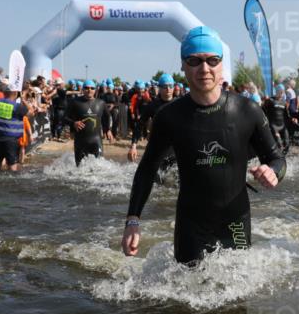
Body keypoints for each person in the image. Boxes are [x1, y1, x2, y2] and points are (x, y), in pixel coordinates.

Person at [122, 26, 285, 265]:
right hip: (191, 226)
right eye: (194, 61)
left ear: (221, 65)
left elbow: (277, 158)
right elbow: (147, 170)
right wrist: (133, 220)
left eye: (212, 60)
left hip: (236, 222)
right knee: (184, 298)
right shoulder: (169, 116)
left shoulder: (247, 110)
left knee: (239, 295)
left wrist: (274, 173)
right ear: (183, 65)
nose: (204, 68)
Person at [65, 80, 109, 166]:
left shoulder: (101, 103)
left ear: (95, 90)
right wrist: (74, 123)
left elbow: (107, 117)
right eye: (86, 88)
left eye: (92, 88)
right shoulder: (75, 102)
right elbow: (64, 118)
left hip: (96, 140)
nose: (89, 90)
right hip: (80, 141)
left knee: (99, 168)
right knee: (79, 169)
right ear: (82, 89)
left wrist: (108, 129)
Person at [0, 79, 29, 171]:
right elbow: (29, 112)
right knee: (12, 166)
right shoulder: (17, 106)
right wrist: (23, 99)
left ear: (4, 92)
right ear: (15, 93)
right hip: (11, 141)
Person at [264, 87, 290, 154]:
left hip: (282, 126)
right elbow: (263, 109)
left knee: (287, 144)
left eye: (282, 92)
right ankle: (277, 159)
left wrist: (292, 119)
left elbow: (287, 115)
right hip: (274, 126)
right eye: (280, 92)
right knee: (279, 144)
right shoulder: (270, 100)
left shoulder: (284, 102)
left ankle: (283, 158)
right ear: (277, 92)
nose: (281, 94)